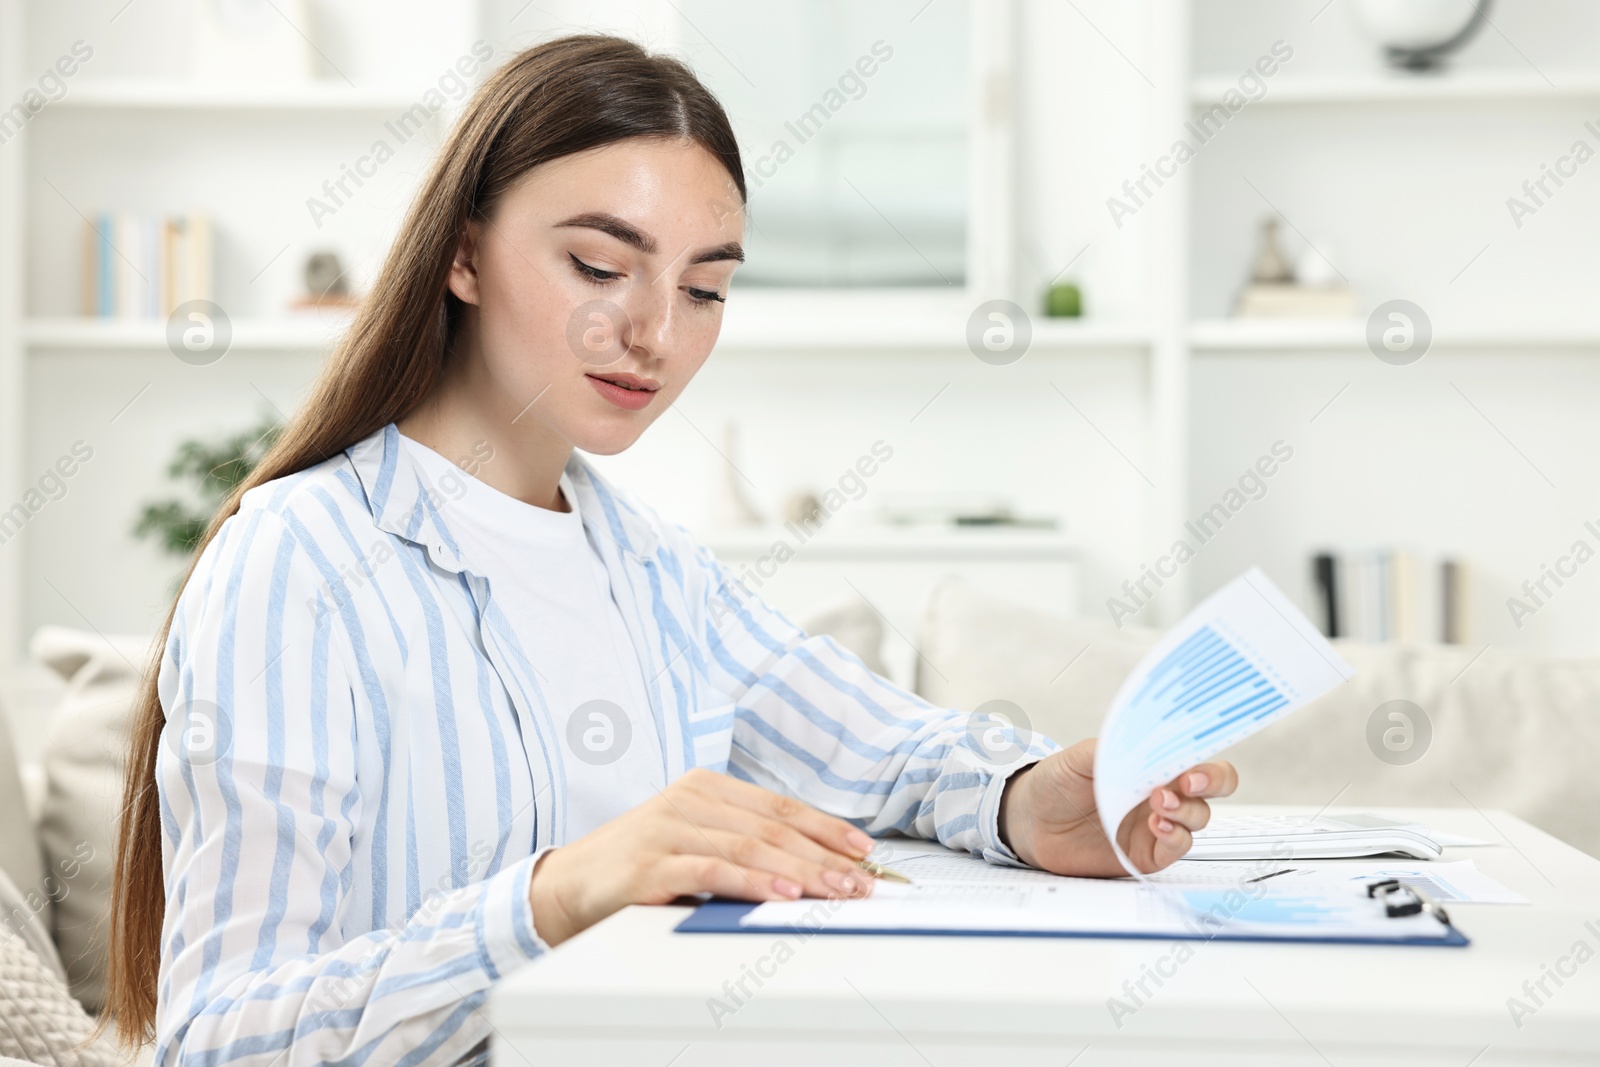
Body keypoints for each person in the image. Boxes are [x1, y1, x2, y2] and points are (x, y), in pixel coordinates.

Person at [103, 34, 1237, 1066]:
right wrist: (557, 893)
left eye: (704, 288)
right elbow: (220, 1038)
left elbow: (887, 749)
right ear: (462, 256)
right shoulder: (297, 563)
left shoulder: (651, 568)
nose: (655, 331)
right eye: (600, 267)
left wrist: (1026, 802)